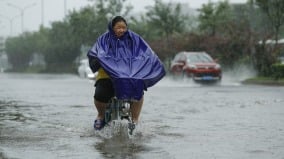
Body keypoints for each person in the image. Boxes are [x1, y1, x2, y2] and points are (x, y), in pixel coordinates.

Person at [87, 16, 165, 130]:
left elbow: (145, 53)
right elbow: (96, 53)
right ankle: (101, 115)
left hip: (129, 76)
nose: (121, 30)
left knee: (139, 89)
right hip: (107, 76)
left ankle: (135, 119)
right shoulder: (104, 40)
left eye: (124, 27)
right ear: (112, 28)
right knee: (100, 93)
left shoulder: (134, 39)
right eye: (118, 27)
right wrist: (101, 60)